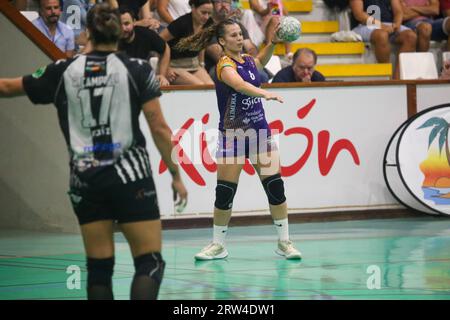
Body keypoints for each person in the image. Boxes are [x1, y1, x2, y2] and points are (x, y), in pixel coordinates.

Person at [0, 3, 187, 300]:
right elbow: (159, 128)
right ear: (119, 33)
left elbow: (8, 87)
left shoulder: (61, 71)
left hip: (85, 181)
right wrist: (175, 173)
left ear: (87, 32)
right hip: (131, 179)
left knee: (99, 269)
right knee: (148, 263)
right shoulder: (137, 69)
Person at [176, 19, 302, 260]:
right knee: (224, 192)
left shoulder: (246, 60)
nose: (239, 38)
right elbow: (240, 85)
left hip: (259, 134)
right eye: (233, 35)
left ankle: (284, 242)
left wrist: (273, 43)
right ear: (222, 41)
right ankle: (218, 245)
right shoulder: (224, 65)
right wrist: (265, 93)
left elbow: (259, 63)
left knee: (275, 187)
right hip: (233, 136)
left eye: (240, 34)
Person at [350, 0, 417, 79]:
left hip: (388, 24)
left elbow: (398, 11)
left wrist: (396, 25)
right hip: (364, 25)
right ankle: (387, 77)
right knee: (382, 35)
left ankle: (398, 79)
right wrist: (381, 26)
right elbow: (359, 14)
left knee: (411, 36)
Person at [159, 0, 215, 85]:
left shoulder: (209, 23)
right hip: (174, 66)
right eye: (203, 12)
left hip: (194, 65)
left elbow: (203, 44)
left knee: (211, 87)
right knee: (200, 87)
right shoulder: (181, 23)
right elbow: (158, 41)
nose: (206, 17)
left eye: (209, 13)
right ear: (193, 8)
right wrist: (166, 69)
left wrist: (202, 65)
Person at [119, 7, 171, 86]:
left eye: (127, 24)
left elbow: (165, 48)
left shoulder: (145, 35)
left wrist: (162, 75)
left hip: (141, 79)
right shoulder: (110, 39)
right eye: (119, 24)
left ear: (134, 22)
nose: (123, 28)